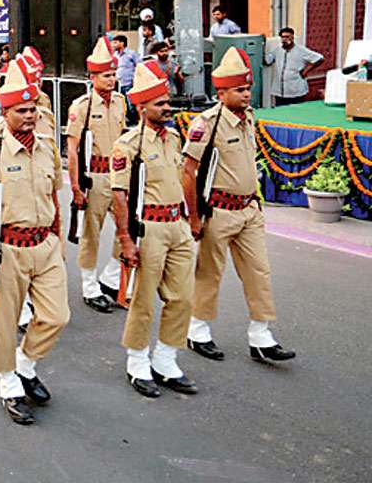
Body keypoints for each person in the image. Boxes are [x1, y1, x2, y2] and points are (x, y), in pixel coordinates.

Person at [0, 60, 68, 426]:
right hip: (8, 247)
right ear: (5, 112)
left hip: (45, 245)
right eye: (21, 110)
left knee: (56, 316)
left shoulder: (46, 147)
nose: (30, 116)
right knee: (3, 322)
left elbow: (54, 197)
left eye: (33, 109)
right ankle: (8, 384)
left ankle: (25, 363)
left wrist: (57, 236)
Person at [184, 47, 296, 365]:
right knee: (209, 273)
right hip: (219, 210)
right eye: (240, 89)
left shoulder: (248, 117)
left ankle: (261, 336)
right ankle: (198, 331)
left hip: (249, 210)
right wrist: (193, 216)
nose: (247, 94)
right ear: (221, 92)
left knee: (259, 271)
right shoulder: (206, 124)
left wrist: (257, 201)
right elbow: (188, 171)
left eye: (248, 88)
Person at [110, 59, 198, 398]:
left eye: (167, 101)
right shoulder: (128, 145)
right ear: (142, 106)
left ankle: (166, 359)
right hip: (148, 229)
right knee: (143, 300)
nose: (167, 108)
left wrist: (190, 219)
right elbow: (120, 194)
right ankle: (137, 362)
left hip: (176, 225)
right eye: (159, 103)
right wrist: (125, 238)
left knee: (182, 297)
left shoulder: (174, 138)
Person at [65, 37, 128, 313]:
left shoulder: (121, 102)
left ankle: (110, 277)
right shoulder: (82, 106)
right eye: (106, 75)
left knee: (127, 229)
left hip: (118, 176)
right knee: (91, 233)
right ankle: (90, 286)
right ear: (93, 77)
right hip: (95, 177)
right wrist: (77, 186)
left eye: (113, 74)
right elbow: (73, 149)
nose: (111, 79)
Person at [263, 27, 324, 106]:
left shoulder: (301, 50)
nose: (285, 39)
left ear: (292, 37)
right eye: (283, 37)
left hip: (296, 90)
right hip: (280, 91)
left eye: (287, 37)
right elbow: (267, 61)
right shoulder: (277, 50)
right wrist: (262, 45)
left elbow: (320, 58)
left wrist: (306, 70)